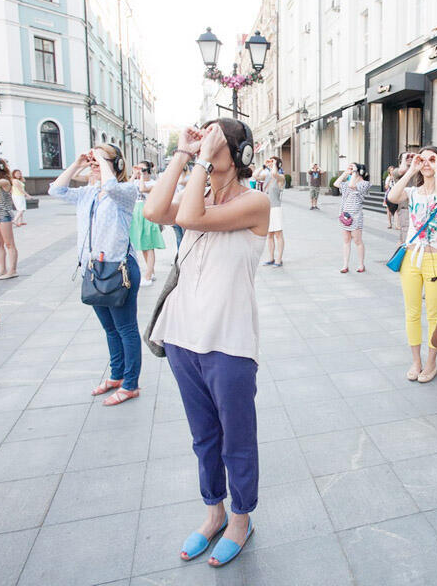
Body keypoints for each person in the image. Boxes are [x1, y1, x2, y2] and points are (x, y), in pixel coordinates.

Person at [144, 118, 269, 568]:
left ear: (240, 155)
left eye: (214, 141)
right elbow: (154, 211)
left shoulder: (255, 202)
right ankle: (214, 512)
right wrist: (182, 152)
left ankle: (240, 518)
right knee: (204, 436)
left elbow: (191, 218)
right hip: (182, 336)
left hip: (229, 340)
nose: (205, 146)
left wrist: (199, 160)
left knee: (237, 438)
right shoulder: (198, 194)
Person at [49, 143, 142, 406]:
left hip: (119, 270)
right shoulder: (88, 193)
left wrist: (101, 159)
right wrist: (78, 164)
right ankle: (116, 375)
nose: (95, 165)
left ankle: (131, 384)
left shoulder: (125, 191)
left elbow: (111, 186)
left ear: (117, 164)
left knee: (126, 328)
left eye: (101, 161)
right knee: (110, 329)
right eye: (93, 162)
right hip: (93, 269)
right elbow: (55, 190)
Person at [386, 147, 437, 383]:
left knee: (434, 314)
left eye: (432, 159)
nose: (426, 163)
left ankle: (431, 363)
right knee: (412, 312)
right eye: (422, 159)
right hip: (411, 257)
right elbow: (392, 197)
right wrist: (411, 170)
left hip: (435, 258)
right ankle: (416, 361)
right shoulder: (412, 192)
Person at [130, 160, 166, 286]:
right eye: (139, 169)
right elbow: (126, 188)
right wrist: (134, 174)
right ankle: (152, 271)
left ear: (149, 171)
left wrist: (141, 176)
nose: (141, 172)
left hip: (147, 214)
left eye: (143, 170)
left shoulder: (154, 183)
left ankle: (148, 275)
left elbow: (142, 189)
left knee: (149, 245)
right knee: (143, 246)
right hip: (136, 215)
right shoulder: (135, 181)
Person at [334, 162, 371, 273]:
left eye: (353, 169)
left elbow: (352, 186)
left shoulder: (364, 183)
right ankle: (345, 265)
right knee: (346, 240)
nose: (351, 171)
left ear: (359, 171)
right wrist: (345, 173)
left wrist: (355, 172)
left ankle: (361, 265)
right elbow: (336, 183)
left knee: (357, 240)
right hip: (345, 215)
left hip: (356, 216)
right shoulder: (347, 182)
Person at [258, 156, 285, 266]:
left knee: (278, 234)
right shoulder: (267, 176)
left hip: (275, 208)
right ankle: (271, 258)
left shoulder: (281, 177)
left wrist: (274, 164)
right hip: (266, 208)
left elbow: (275, 174)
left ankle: (279, 259)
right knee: (269, 235)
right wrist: (263, 166)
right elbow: (255, 175)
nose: (270, 163)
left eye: (272, 161)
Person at [384, 159, 401, 230]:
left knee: (396, 209)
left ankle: (397, 225)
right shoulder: (388, 178)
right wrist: (389, 180)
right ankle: (389, 223)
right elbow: (386, 187)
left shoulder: (397, 178)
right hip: (389, 193)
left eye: (393, 170)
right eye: (391, 170)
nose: (392, 171)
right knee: (388, 210)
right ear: (389, 171)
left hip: (396, 193)